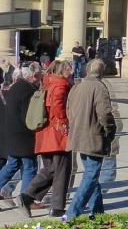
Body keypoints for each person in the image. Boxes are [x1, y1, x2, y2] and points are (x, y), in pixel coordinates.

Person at [0, 64, 39, 212]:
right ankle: (25, 199)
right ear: (33, 75)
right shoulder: (28, 90)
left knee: (12, 164)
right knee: (30, 166)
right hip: (24, 134)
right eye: (39, 74)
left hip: (11, 133)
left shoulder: (14, 88)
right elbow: (29, 116)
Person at [64, 59, 117, 220]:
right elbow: (105, 114)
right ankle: (72, 213)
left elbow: (68, 110)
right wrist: (110, 130)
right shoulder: (99, 87)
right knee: (91, 175)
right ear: (102, 72)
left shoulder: (77, 86)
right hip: (93, 137)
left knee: (90, 174)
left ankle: (98, 211)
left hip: (79, 135)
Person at [20, 61, 73, 218]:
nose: (71, 72)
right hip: (57, 133)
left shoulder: (45, 84)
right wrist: (64, 120)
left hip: (44, 133)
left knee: (50, 169)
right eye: (68, 69)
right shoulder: (60, 84)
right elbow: (57, 105)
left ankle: (27, 196)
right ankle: (57, 207)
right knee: (62, 170)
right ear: (60, 71)